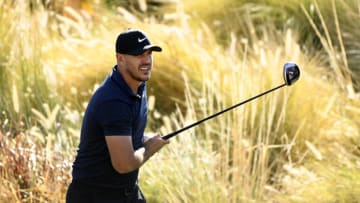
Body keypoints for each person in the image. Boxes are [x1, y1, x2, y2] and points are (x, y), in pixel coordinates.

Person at [66, 29, 169, 203]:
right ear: (120, 58)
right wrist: (150, 147)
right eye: (139, 55)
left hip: (125, 191)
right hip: (94, 196)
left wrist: (143, 138)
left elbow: (123, 134)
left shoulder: (138, 84)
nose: (146, 61)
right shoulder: (113, 100)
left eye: (149, 54)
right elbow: (124, 164)